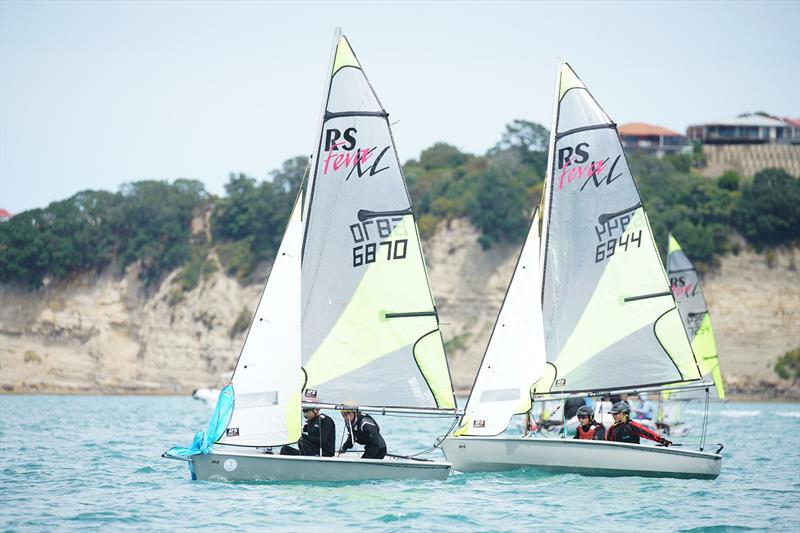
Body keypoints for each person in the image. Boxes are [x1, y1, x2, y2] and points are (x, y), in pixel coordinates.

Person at [606, 402, 672, 446]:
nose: (613, 416)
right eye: (612, 414)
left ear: (624, 414)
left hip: (634, 454)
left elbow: (649, 434)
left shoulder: (632, 425)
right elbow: (608, 443)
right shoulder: (612, 428)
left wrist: (663, 441)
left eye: (615, 414)